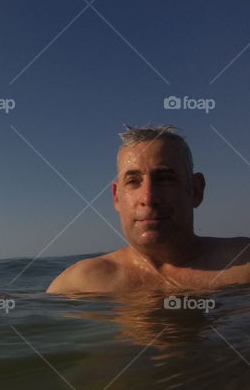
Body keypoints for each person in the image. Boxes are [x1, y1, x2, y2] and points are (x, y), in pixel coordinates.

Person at [48, 125, 250, 293]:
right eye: (133, 181)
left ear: (196, 190)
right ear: (117, 197)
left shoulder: (243, 265)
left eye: (164, 178)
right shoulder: (80, 284)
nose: (148, 197)